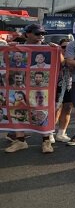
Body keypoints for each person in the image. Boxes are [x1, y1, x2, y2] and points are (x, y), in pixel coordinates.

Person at [5, 24, 59, 154]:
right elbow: (5, 62)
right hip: (20, 85)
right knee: (18, 108)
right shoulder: (16, 46)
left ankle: (46, 141)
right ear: (27, 34)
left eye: (42, 34)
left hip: (40, 87)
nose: (41, 36)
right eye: (37, 33)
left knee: (41, 110)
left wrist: (58, 51)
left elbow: (61, 63)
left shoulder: (49, 48)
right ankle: (20, 141)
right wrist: (8, 49)